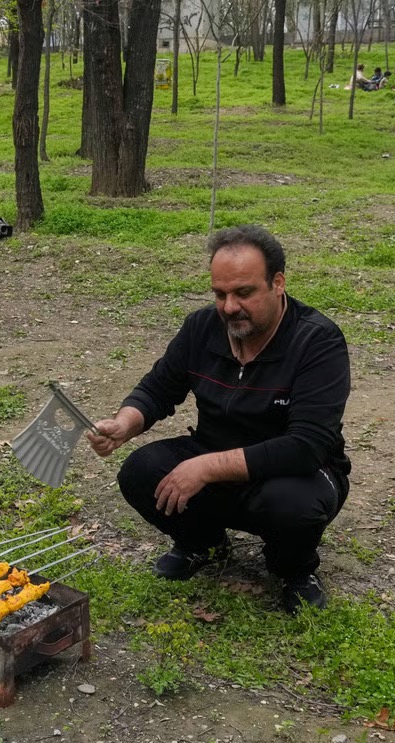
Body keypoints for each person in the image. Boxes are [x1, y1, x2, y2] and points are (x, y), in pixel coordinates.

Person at [87, 225, 351, 613]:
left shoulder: (317, 341)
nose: (229, 307)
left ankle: (293, 569)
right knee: (140, 471)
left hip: (292, 472)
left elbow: (307, 446)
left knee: (293, 506)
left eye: (244, 292)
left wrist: (207, 467)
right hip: (214, 448)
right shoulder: (202, 328)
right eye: (220, 294)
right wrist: (124, 424)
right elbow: (160, 388)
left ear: (278, 283)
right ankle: (204, 545)